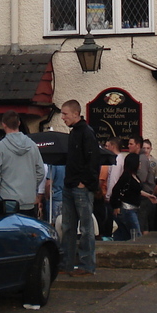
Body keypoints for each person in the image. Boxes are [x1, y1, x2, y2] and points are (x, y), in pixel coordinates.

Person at [60, 99, 101, 276]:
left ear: (76, 114)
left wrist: (85, 182)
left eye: (65, 114)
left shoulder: (86, 133)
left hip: (81, 187)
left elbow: (94, 160)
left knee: (85, 228)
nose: (62, 117)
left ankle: (87, 265)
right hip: (70, 185)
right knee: (68, 227)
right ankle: (66, 264)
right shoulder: (74, 133)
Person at [0, 110, 47, 216]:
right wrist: (31, 185)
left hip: (8, 200)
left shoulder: (1, 147)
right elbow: (41, 171)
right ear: (19, 123)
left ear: (3, 124)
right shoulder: (32, 145)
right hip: (29, 199)